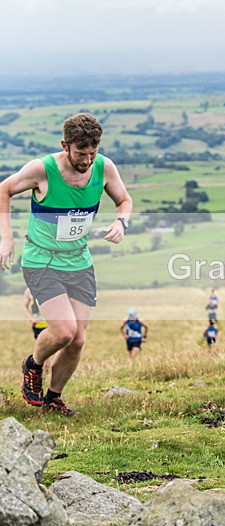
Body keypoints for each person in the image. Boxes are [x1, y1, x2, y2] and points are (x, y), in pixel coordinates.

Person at [0, 113, 133, 417]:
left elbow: (124, 201)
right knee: (63, 332)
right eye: (81, 153)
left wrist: (121, 223)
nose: (87, 160)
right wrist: (6, 239)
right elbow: (3, 189)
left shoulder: (104, 167)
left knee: (78, 340)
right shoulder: (42, 169)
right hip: (42, 260)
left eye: (93, 152)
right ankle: (33, 365)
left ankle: (53, 399)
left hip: (78, 261)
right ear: (65, 145)